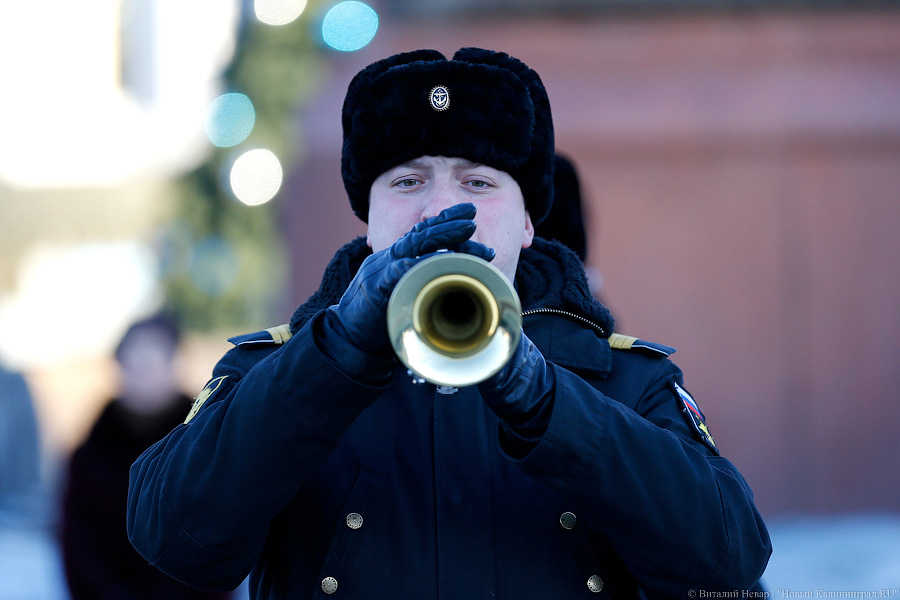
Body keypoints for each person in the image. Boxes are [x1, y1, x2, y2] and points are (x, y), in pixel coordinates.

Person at [128, 48, 771, 599]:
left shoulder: (622, 378)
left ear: (526, 223)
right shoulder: (276, 370)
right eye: (408, 182)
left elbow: (729, 561)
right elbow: (173, 540)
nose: (443, 207)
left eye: (480, 182)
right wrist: (335, 358)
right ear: (370, 219)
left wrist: (551, 404)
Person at [61, 315, 229, 600]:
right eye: (135, 362)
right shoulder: (90, 455)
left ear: (174, 364)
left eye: (153, 361)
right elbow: (77, 546)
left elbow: (222, 539)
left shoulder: (204, 448)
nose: (144, 373)